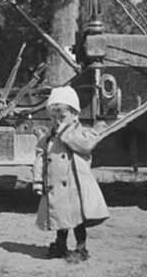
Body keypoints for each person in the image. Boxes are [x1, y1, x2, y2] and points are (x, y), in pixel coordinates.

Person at [33, 86, 110, 263]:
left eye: (62, 117)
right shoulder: (49, 138)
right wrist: (38, 180)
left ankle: (81, 248)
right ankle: (60, 245)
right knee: (60, 219)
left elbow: (85, 145)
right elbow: (41, 157)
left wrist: (65, 133)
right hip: (56, 187)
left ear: (74, 114)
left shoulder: (80, 133)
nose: (57, 121)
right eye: (54, 117)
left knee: (77, 219)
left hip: (75, 187)